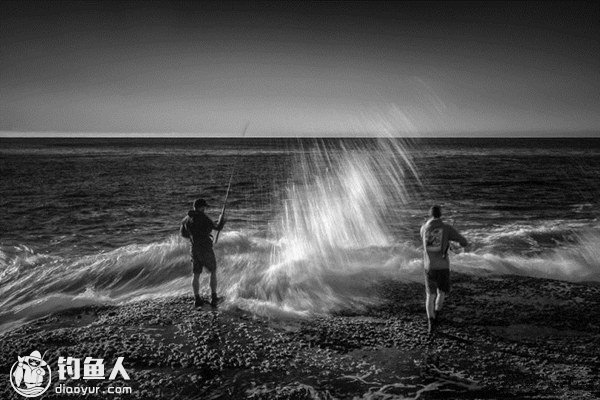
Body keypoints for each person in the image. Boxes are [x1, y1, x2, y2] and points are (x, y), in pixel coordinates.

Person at [420, 205, 468, 334]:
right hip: (443, 267)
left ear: (430, 214)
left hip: (428, 266)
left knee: (430, 295)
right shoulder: (446, 228)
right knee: (441, 292)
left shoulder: (423, 228)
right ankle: (437, 314)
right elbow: (464, 242)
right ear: (440, 214)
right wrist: (455, 244)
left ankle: (431, 322)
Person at [180, 198, 226, 308]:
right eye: (204, 207)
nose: (205, 209)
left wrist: (193, 236)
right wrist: (222, 220)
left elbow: (183, 234)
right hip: (205, 248)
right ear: (201, 207)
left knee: (196, 274)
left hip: (194, 248)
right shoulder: (204, 217)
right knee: (213, 271)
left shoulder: (186, 219)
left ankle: (197, 299)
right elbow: (217, 227)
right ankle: (214, 298)